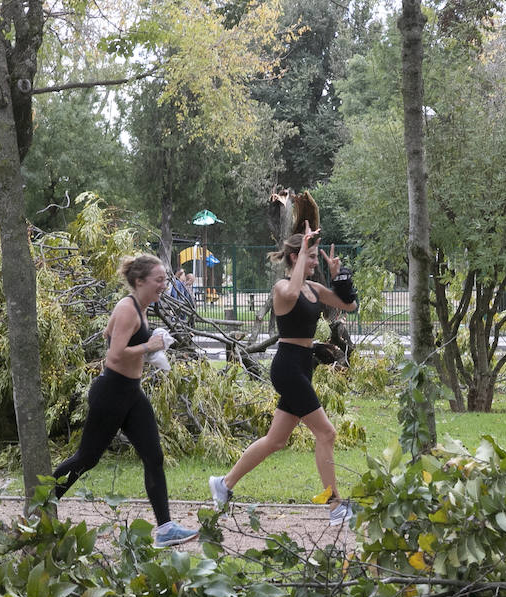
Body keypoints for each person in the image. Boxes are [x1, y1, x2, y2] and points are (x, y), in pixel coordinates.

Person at [208, 215, 359, 526]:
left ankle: (223, 485)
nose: (316, 262)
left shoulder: (316, 289)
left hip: (304, 366)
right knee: (326, 432)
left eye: (316, 257)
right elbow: (291, 294)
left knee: (276, 441)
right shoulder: (282, 287)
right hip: (287, 366)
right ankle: (335, 506)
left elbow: (349, 306)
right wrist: (305, 249)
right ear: (296, 256)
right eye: (312, 256)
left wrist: (339, 275)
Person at [54, 254, 198, 548]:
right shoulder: (127, 307)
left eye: (165, 280)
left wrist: (146, 345)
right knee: (87, 458)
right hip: (111, 392)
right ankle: (42, 500)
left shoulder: (140, 309)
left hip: (131, 393)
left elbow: (110, 333)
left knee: (154, 457)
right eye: (159, 280)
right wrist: (150, 345)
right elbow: (115, 354)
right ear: (140, 281)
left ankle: (166, 528)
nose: (164, 285)